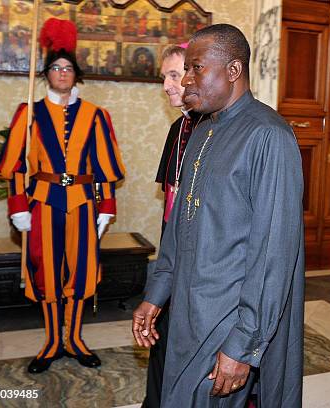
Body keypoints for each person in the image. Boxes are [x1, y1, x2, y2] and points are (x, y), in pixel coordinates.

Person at [132, 24, 304, 407]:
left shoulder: (269, 135)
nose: (186, 80)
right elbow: (179, 226)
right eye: (185, 70)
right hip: (189, 310)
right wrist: (156, 295)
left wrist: (243, 344)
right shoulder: (201, 130)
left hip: (229, 316)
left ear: (233, 71)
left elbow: (273, 255)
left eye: (196, 68)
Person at [0, 18, 125, 374]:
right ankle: (53, 340)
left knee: (81, 273)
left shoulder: (96, 115)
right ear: (47, 73)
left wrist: (106, 209)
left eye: (68, 68)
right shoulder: (30, 114)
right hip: (43, 205)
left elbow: (104, 168)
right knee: (48, 274)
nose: (62, 73)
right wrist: (19, 207)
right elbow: (17, 166)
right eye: (56, 67)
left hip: (83, 205)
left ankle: (75, 340)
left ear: (76, 73)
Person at [142, 43, 202, 408]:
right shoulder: (178, 128)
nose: (166, 84)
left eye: (174, 75)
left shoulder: (215, 129)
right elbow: (170, 199)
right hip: (173, 254)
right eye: (164, 76)